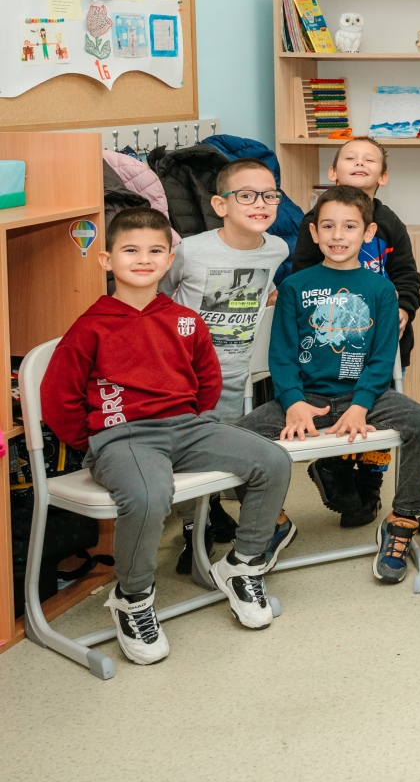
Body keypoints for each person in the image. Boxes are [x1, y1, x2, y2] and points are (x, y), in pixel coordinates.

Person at [40, 209, 293, 664]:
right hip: (124, 437)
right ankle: (133, 597)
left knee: (273, 461)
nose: (144, 259)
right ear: (106, 260)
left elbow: (207, 381)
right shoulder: (90, 326)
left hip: (187, 427)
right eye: (131, 250)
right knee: (148, 495)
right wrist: (97, 442)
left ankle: (241, 566)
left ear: (170, 259)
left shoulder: (184, 320)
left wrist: (192, 424)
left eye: (155, 250)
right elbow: (58, 399)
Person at [241, 185, 420, 585]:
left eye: (349, 226)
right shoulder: (295, 286)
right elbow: (282, 355)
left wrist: (361, 404)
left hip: (365, 397)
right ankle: (274, 523)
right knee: (234, 441)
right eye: (328, 226)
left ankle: (401, 522)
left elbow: (382, 358)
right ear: (314, 233)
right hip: (306, 399)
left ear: (368, 233)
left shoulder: (381, 290)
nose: (337, 235)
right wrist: (293, 402)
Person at [159, 158, 290, 571]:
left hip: (235, 377)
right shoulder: (191, 251)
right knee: (189, 457)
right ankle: (193, 532)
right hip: (187, 378)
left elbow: (265, 286)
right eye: (247, 195)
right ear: (220, 205)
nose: (260, 203)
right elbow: (161, 295)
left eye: (269, 195)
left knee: (224, 455)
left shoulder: (277, 249)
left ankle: (220, 515)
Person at [294, 138, 420, 530]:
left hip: (382, 342)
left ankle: (369, 486)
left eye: (370, 160)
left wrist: (403, 308)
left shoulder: (390, 223)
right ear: (333, 172)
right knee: (339, 407)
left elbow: (407, 275)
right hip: (331, 344)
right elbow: (300, 274)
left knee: (376, 414)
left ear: (383, 177)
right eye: (350, 157)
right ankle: (334, 469)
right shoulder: (314, 222)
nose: (360, 163)